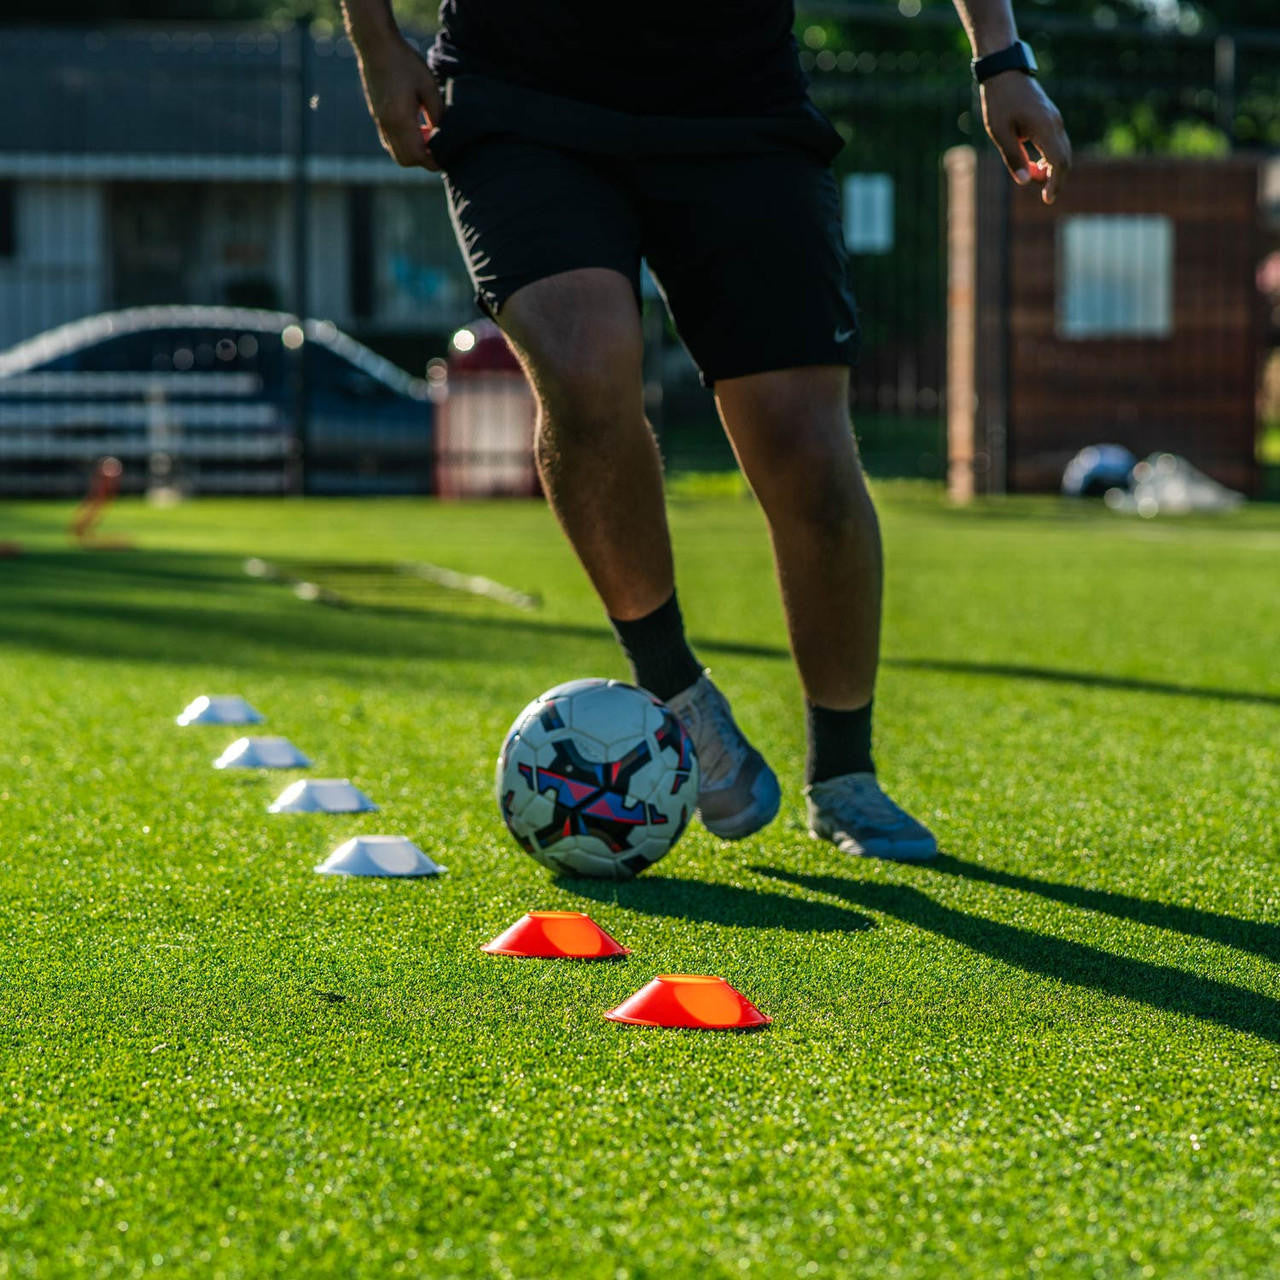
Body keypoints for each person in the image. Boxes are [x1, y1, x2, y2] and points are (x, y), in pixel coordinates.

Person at [342, 0, 1071, 860]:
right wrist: (375, 41)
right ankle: (675, 689)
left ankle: (844, 775)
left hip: (734, 95)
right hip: (521, 84)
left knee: (804, 442)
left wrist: (1000, 56)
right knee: (582, 368)